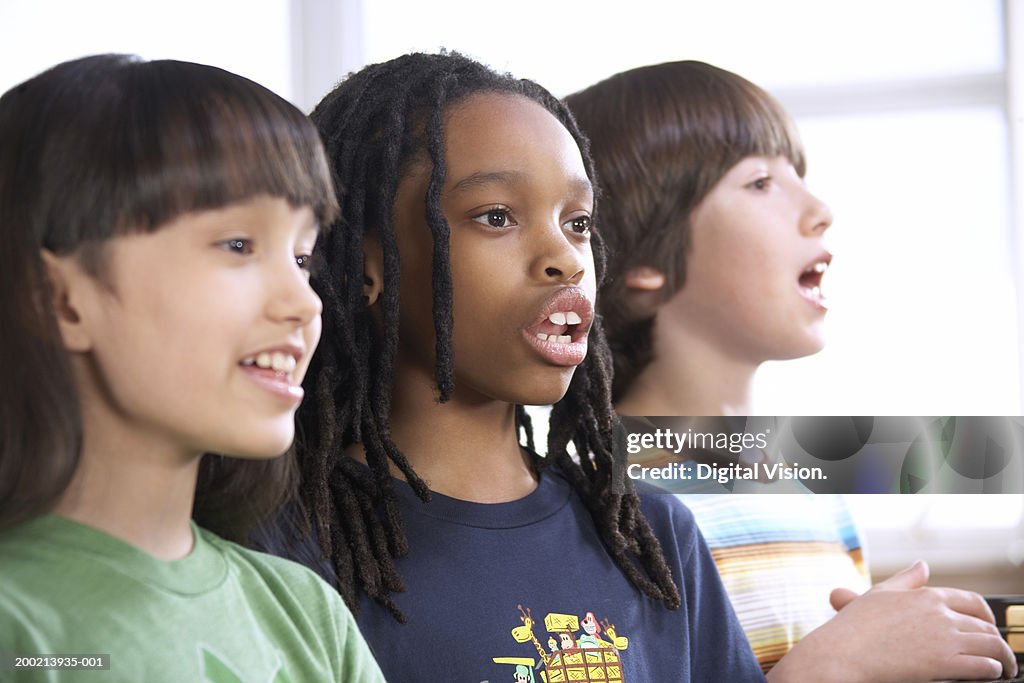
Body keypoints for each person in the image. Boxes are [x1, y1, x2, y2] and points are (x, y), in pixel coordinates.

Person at [270, 51, 765, 682]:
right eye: (496, 217)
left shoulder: (652, 537)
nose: (565, 257)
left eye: (578, 222)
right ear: (368, 265)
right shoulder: (286, 548)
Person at [565, 60, 1018, 682]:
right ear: (644, 256)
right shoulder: (592, 511)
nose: (820, 209)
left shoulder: (808, 495)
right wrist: (837, 664)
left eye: (797, 177)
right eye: (759, 183)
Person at [0, 54, 384, 682]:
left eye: (302, 256)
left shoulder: (308, 614)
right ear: (59, 298)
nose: (305, 302)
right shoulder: (18, 626)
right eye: (238, 245)